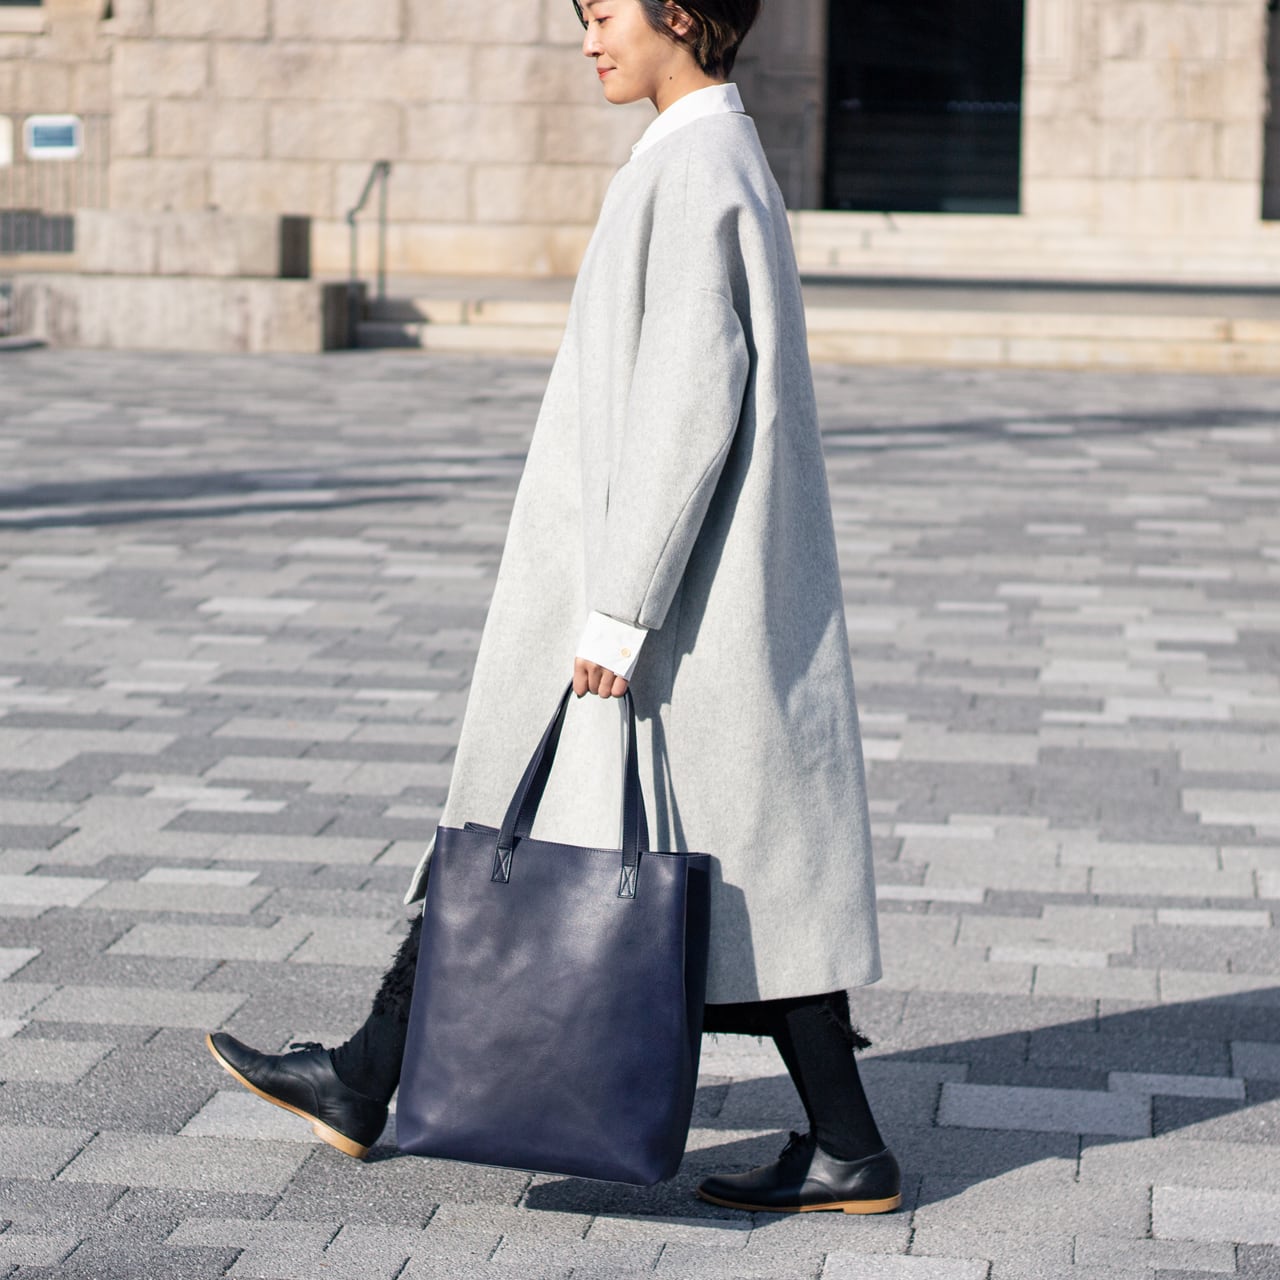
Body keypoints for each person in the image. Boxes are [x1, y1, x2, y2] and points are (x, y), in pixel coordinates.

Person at [206, 0, 899, 1216]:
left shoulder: (694, 165)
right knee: (716, 861)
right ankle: (372, 1073)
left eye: (604, 14)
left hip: (657, 599)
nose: (587, 38)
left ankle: (370, 1078)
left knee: (574, 833)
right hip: (670, 592)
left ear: (680, 15)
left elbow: (690, 401)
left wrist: (618, 613)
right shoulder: (700, 155)